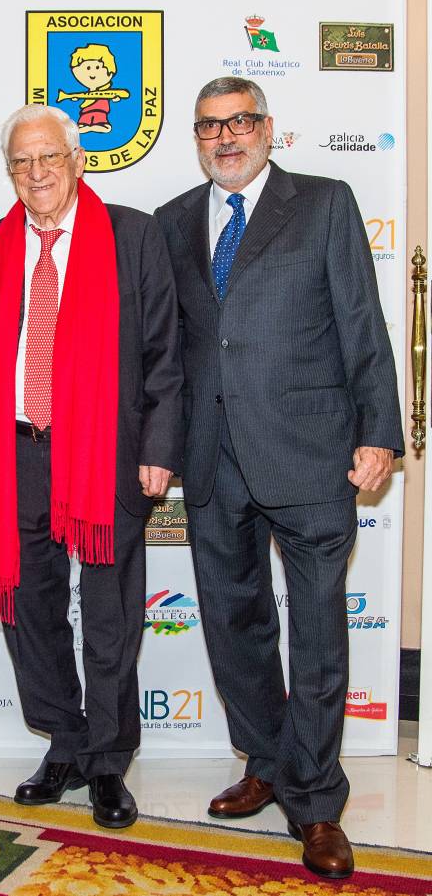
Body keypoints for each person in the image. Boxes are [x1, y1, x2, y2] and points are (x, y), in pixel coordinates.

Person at [154, 77, 403, 879]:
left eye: (240, 121)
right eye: (209, 126)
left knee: (319, 632)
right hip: (212, 457)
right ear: (197, 137)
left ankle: (318, 800)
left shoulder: (324, 203)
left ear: (268, 128)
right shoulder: (172, 221)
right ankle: (266, 760)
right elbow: (170, 349)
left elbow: (361, 320)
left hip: (310, 450)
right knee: (235, 624)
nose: (225, 137)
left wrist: (378, 432)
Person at [0, 104, 182, 829]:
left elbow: (164, 352)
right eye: (22, 162)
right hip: (16, 452)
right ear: (10, 172)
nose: (37, 173)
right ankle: (64, 739)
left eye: (49, 157)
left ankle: (108, 759)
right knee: (29, 607)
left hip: (106, 452)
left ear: (77, 161)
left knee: (111, 612)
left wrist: (158, 448)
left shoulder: (131, 234)